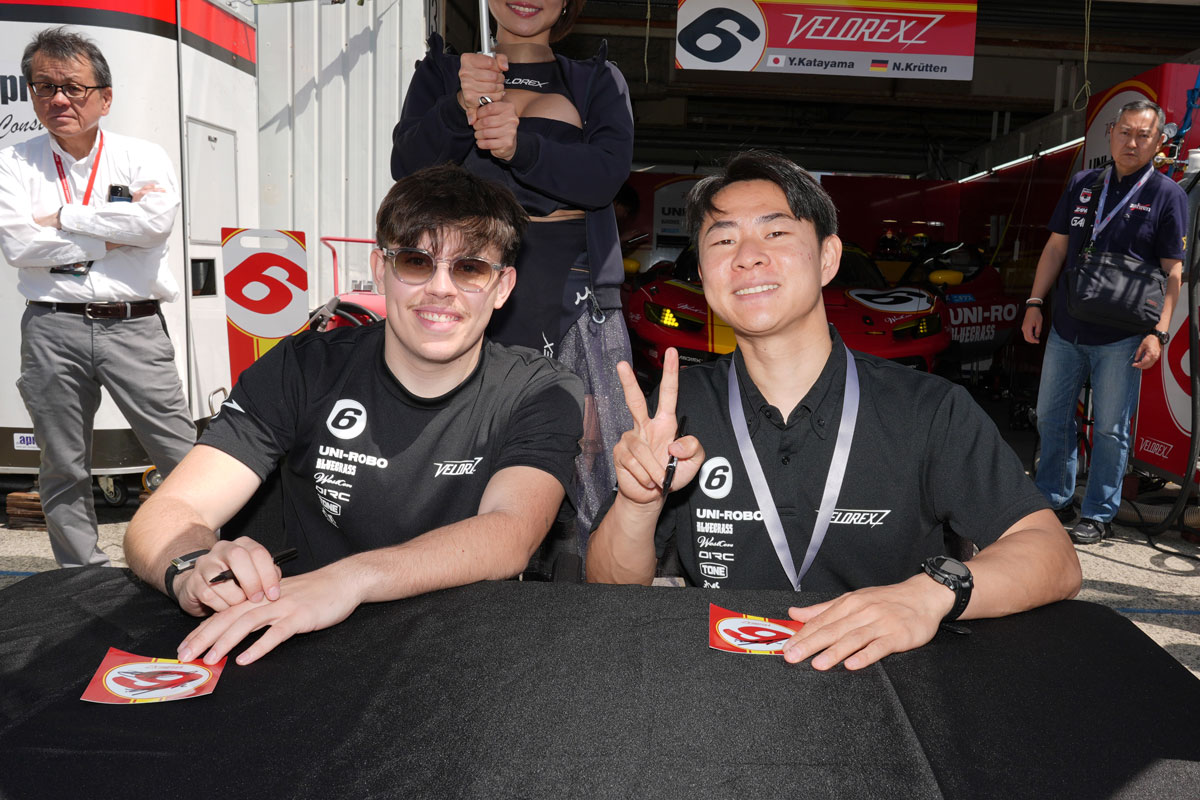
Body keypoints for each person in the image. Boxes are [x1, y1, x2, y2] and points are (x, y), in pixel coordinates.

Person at [586, 150, 1081, 671]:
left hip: (887, 682)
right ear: (705, 273)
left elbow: (1053, 555)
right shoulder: (677, 411)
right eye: (723, 240)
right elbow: (606, 588)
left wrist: (928, 596)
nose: (747, 256)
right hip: (722, 689)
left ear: (827, 258)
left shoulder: (928, 409)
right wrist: (638, 503)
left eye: (775, 233)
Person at [124, 164, 584, 667]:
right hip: (300, 648)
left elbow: (511, 531)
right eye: (416, 262)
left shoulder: (540, 390)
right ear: (380, 269)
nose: (441, 288)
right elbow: (171, 511)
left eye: (469, 269)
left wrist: (349, 580)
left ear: (502, 286)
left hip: (459, 657)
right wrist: (191, 567)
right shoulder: (303, 368)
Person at [391, 0, 634, 550]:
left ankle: (578, 592)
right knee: (454, 446)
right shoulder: (443, 73)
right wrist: (457, 108)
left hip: (571, 289)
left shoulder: (597, 80)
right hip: (465, 286)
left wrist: (522, 147)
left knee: (585, 461)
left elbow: (605, 176)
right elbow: (408, 172)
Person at [0, 27, 195, 568]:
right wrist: (110, 235)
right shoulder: (14, 162)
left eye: (73, 87)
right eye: (44, 86)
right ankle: (80, 574)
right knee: (62, 464)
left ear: (105, 98)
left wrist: (64, 216)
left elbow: (154, 224)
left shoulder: (141, 156)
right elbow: (18, 246)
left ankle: (206, 556)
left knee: (181, 454)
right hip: (51, 328)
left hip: (133, 325)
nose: (58, 99)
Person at [1022, 100, 1185, 545]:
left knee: (1112, 429)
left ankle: (1098, 513)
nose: (1132, 142)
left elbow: (1174, 271)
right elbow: (1055, 248)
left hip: (1123, 337)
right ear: (1111, 133)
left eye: (1143, 135)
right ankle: (1053, 499)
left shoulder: (1167, 194)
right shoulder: (1083, 183)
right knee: (1052, 418)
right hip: (1067, 326)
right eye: (1125, 132)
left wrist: (1159, 332)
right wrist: (1034, 302)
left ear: (1159, 141)